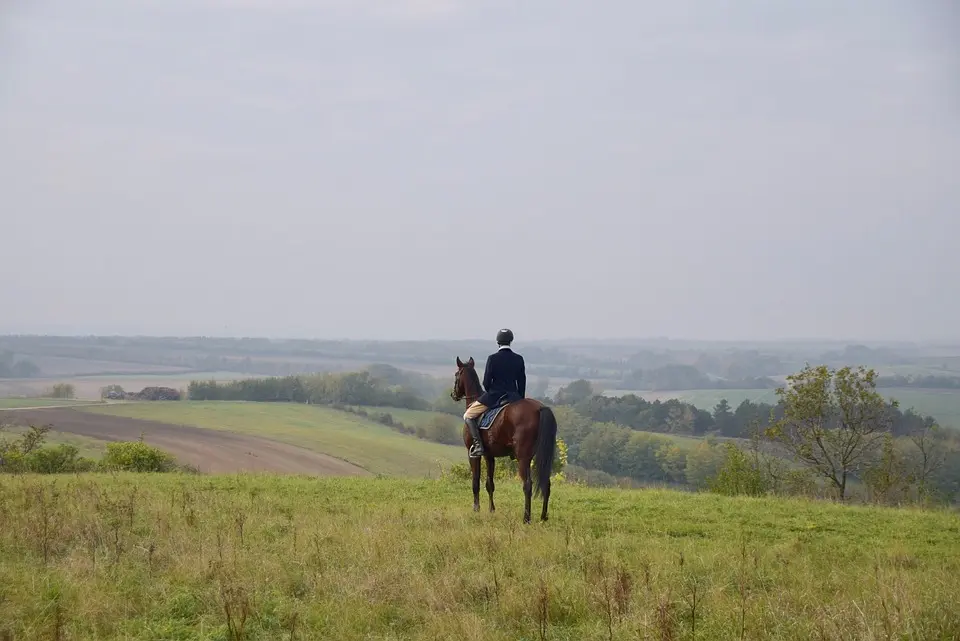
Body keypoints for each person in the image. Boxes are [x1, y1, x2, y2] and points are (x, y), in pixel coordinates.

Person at [463, 328, 526, 458]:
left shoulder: (492, 358)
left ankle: (478, 445)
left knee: (468, 416)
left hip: (494, 396)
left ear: (498, 342)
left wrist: (491, 391)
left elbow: (486, 382)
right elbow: (522, 382)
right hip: (514, 397)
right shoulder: (519, 359)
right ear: (511, 341)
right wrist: (519, 399)